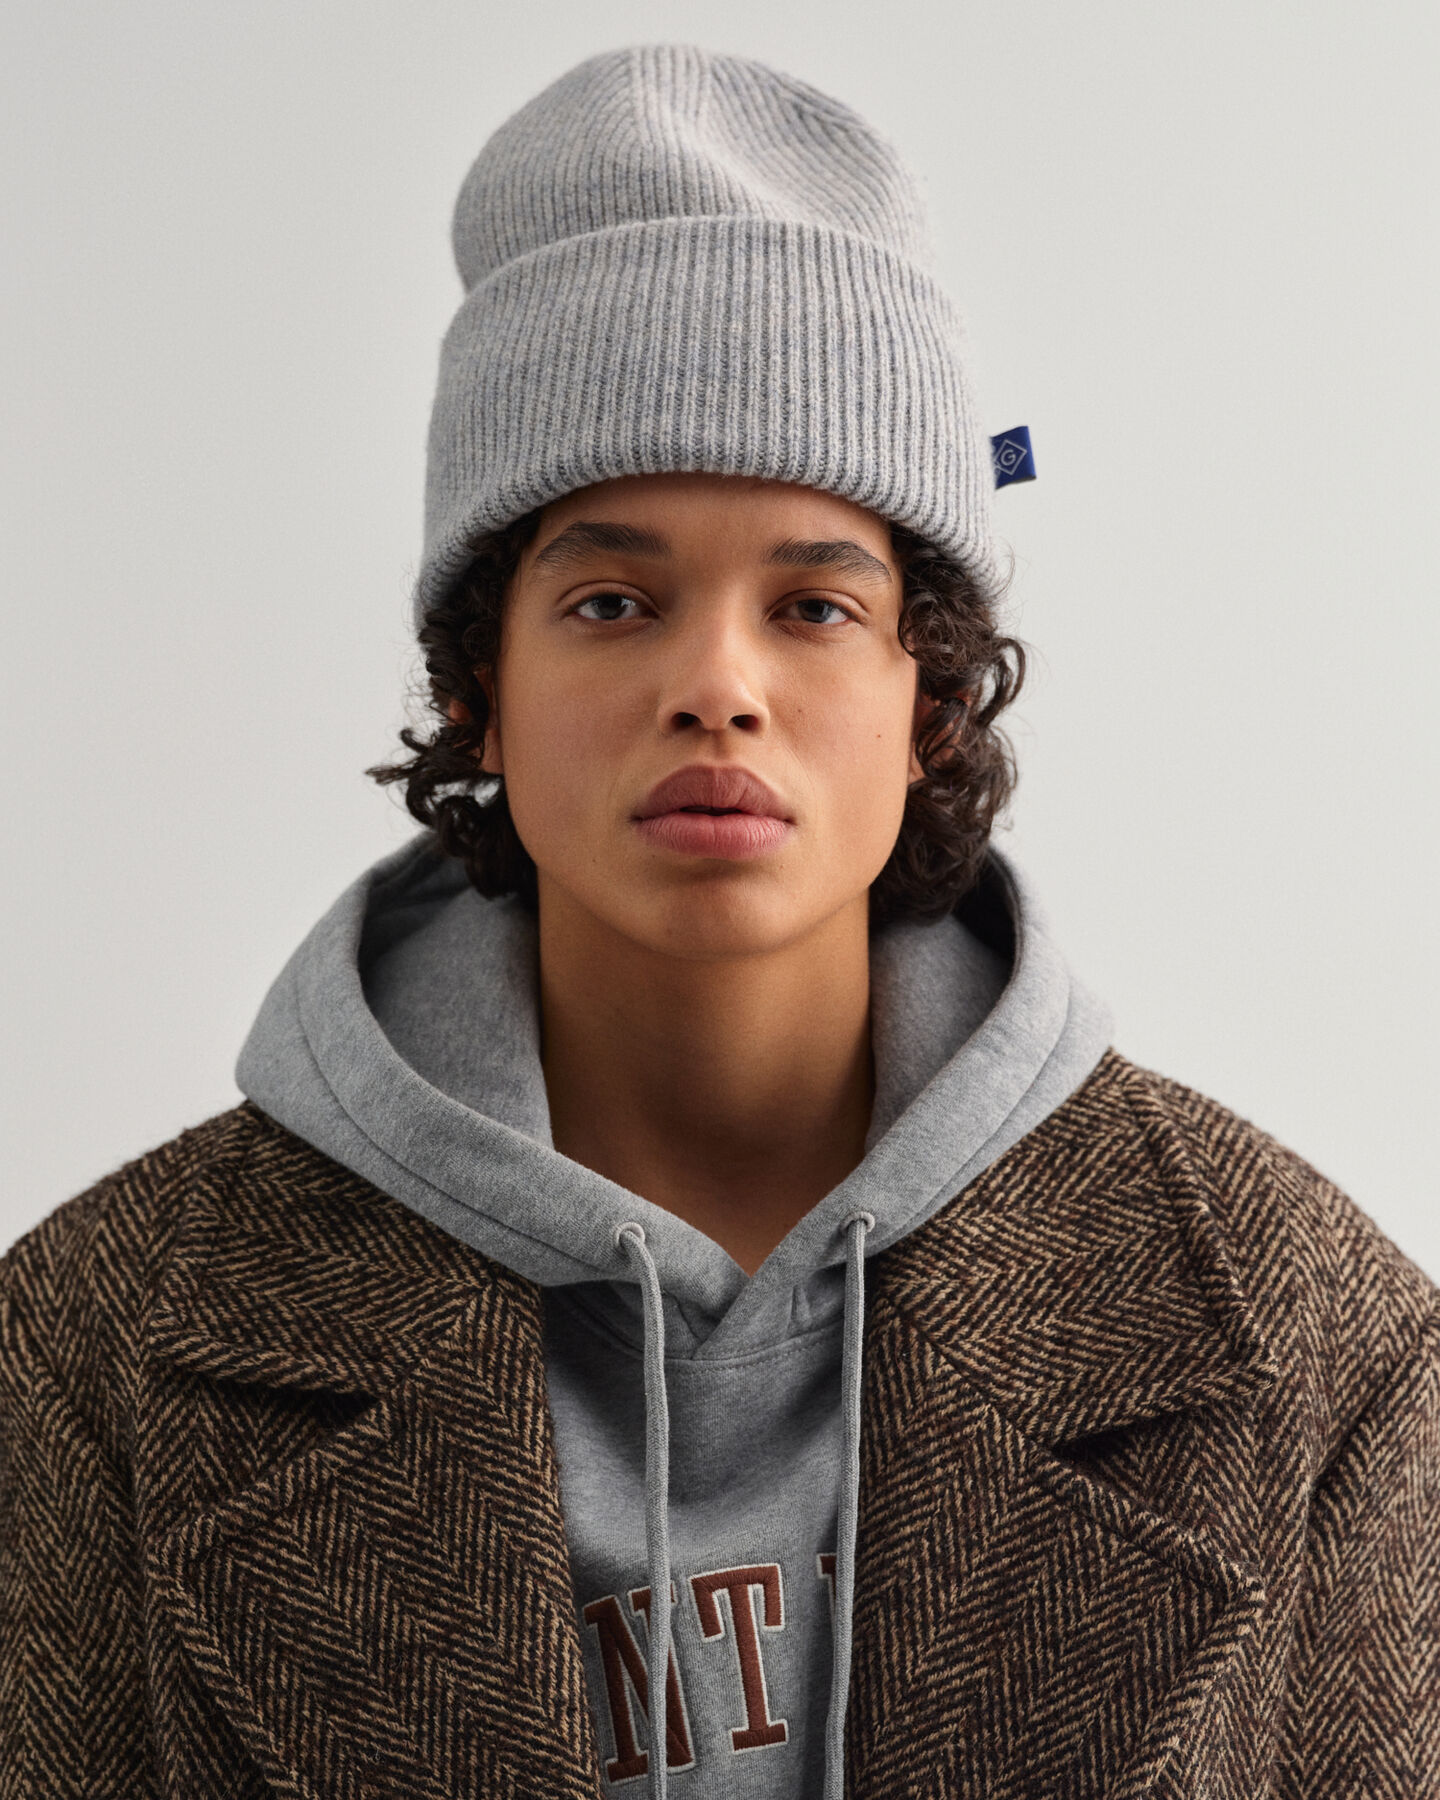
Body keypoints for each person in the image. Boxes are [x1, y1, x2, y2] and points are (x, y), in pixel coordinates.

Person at [2, 43, 1437, 1800]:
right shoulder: (95, 1345)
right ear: (476, 694)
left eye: (814, 606)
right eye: (612, 601)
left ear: (933, 699)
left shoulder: (1312, 1340)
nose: (718, 687)